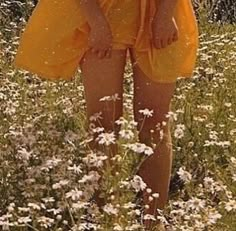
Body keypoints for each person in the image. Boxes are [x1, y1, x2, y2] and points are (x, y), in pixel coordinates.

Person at [13, 0, 199, 230]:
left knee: (154, 122)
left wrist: (165, 14)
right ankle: (107, 219)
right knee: (102, 122)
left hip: (159, 7)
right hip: (101, 9)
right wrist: (96, 21)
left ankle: (154, 222)